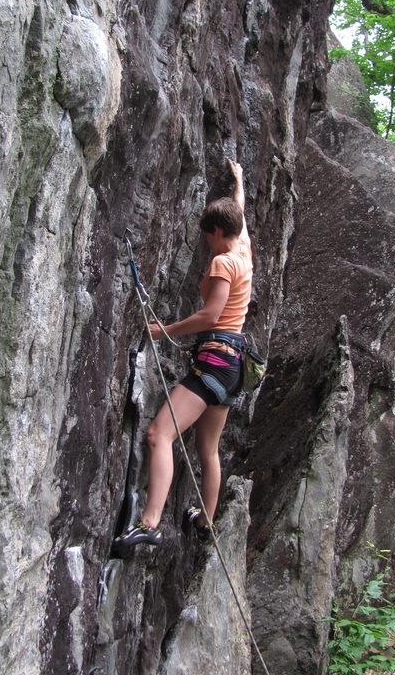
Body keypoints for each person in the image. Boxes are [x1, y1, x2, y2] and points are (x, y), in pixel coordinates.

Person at [114, 158, 253, 547]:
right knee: (208, 449)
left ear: (218, 231)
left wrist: (164, 331)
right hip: (232, 368)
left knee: (160, 434)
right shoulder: (243, 247)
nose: (206, 241)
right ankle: (206, 521)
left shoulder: (224, 261)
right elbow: (238, 208)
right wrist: (238, 179)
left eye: (208, 234)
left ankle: (149, 524)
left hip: (212, 362)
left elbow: (211, 315)